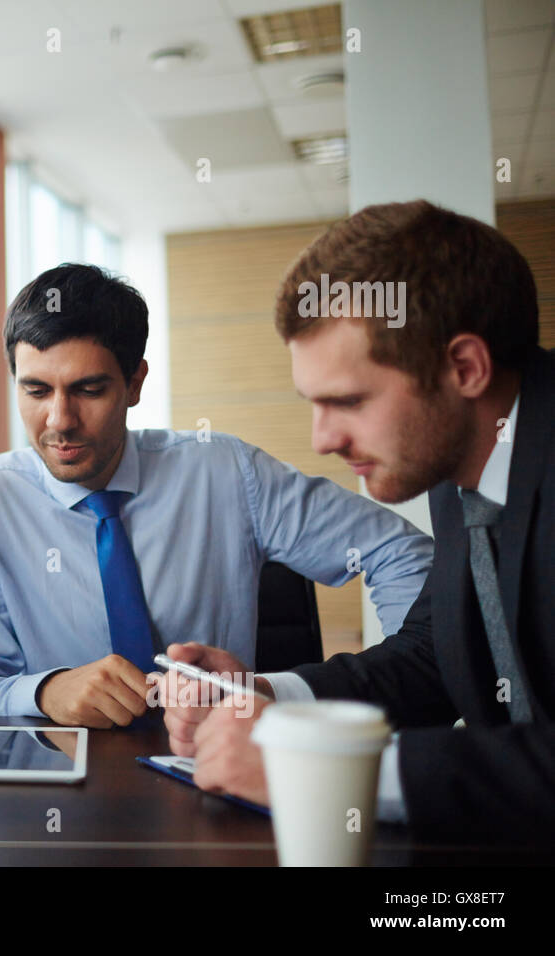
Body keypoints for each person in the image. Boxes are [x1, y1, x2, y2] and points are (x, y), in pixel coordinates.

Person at [158, 199, 555, 842]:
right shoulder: (461, 465)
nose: (321, 439)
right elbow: (434, 655)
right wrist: (265, 699)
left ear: (465, 369)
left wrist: (326, 770)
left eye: (347, 401)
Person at [0, 263, 434, 725]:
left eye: (88, 390)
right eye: (36, 391)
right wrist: (46, 692)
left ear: (135, 383)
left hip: (218, 764)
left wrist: (406, 681)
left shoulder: (227, 472)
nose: (60, 421)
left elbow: (401, 552)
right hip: (60, 783)